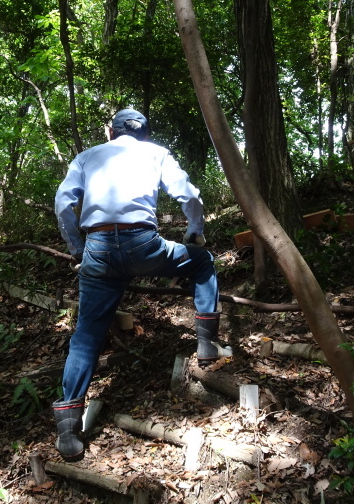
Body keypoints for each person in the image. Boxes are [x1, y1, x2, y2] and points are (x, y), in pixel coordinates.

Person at [52, 108, 231, 461]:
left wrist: (77, 248)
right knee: (202, 261)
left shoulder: (86, 157)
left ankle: (69, 424)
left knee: (87, 335)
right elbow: (189, 196)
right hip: (143, 245)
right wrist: (194, 232)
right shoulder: (156, 153)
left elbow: (62, 204)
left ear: (111, 132)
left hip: (99, 249)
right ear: (144, 134)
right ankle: (207, 342)